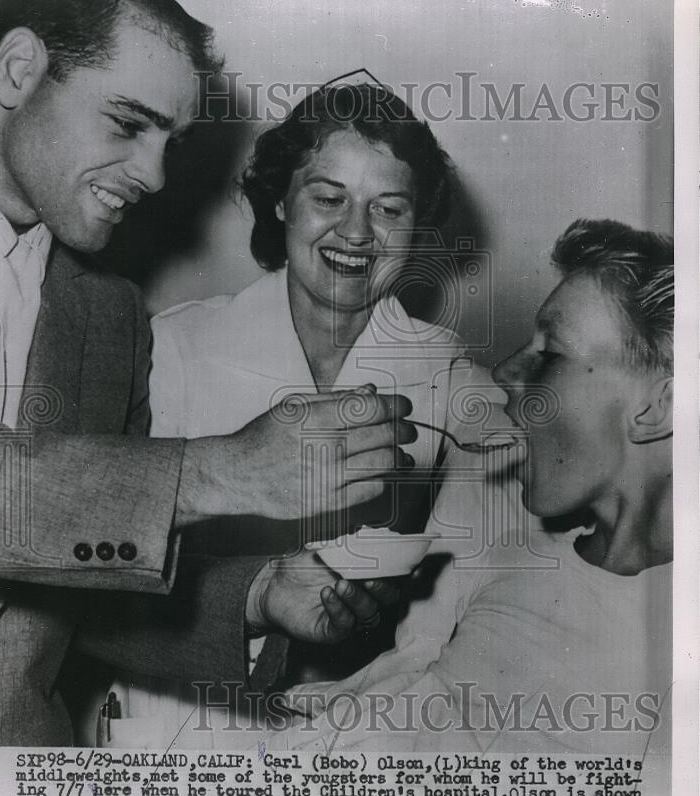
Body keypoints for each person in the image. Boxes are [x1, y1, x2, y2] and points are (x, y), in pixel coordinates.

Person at [0, 0, 410, 746]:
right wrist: (219, 469)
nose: (157, 174)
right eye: (128, 123)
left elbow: (66, 581)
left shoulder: (109, 315)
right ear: (19, 70)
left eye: (172, 139)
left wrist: (256, 594)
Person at [102, 80, 517, 745]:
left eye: (389, 209)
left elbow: (482, 577)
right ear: (279, 200)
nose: (356, 233)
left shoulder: (447, 375)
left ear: (417, 227)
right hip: (176, 723)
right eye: (328, 198)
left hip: (351, 733)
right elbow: (105, 576)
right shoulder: (175, 347)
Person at [240, 218, 672, 756]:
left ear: (658, 408)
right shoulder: (518, 556)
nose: (507, 373)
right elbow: (420, 696)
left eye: (551, 354)